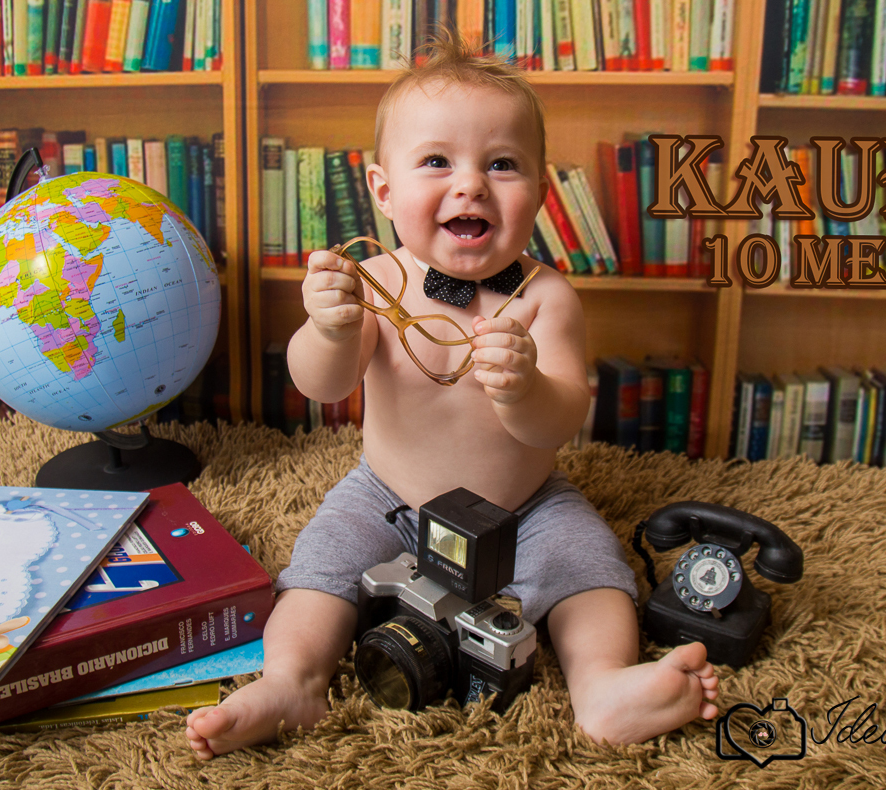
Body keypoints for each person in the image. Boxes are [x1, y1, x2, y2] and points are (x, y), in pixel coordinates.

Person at [186, 33, 719, 760]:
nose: (471, 184)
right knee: (321, 568)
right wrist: (330, 328)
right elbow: (322, 383)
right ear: (383, 190)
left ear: (539, 187)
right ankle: (294, 680)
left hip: (522, 506)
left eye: (502, 164)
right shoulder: (377, 283)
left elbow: (560, 420)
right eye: (437, 161)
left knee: (589, 566)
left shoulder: (545, 298)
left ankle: (604, 685)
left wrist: (525, 387)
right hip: (387, 494)